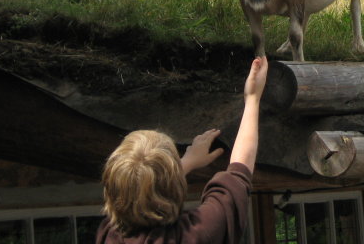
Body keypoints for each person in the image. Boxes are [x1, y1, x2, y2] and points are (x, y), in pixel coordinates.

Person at [96, 55, 268, 244]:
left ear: (111, 191)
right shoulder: (196, 233)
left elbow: (136, 192)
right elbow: (239, 172)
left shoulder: (109, 235)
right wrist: (252, 98)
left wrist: (186, 162)